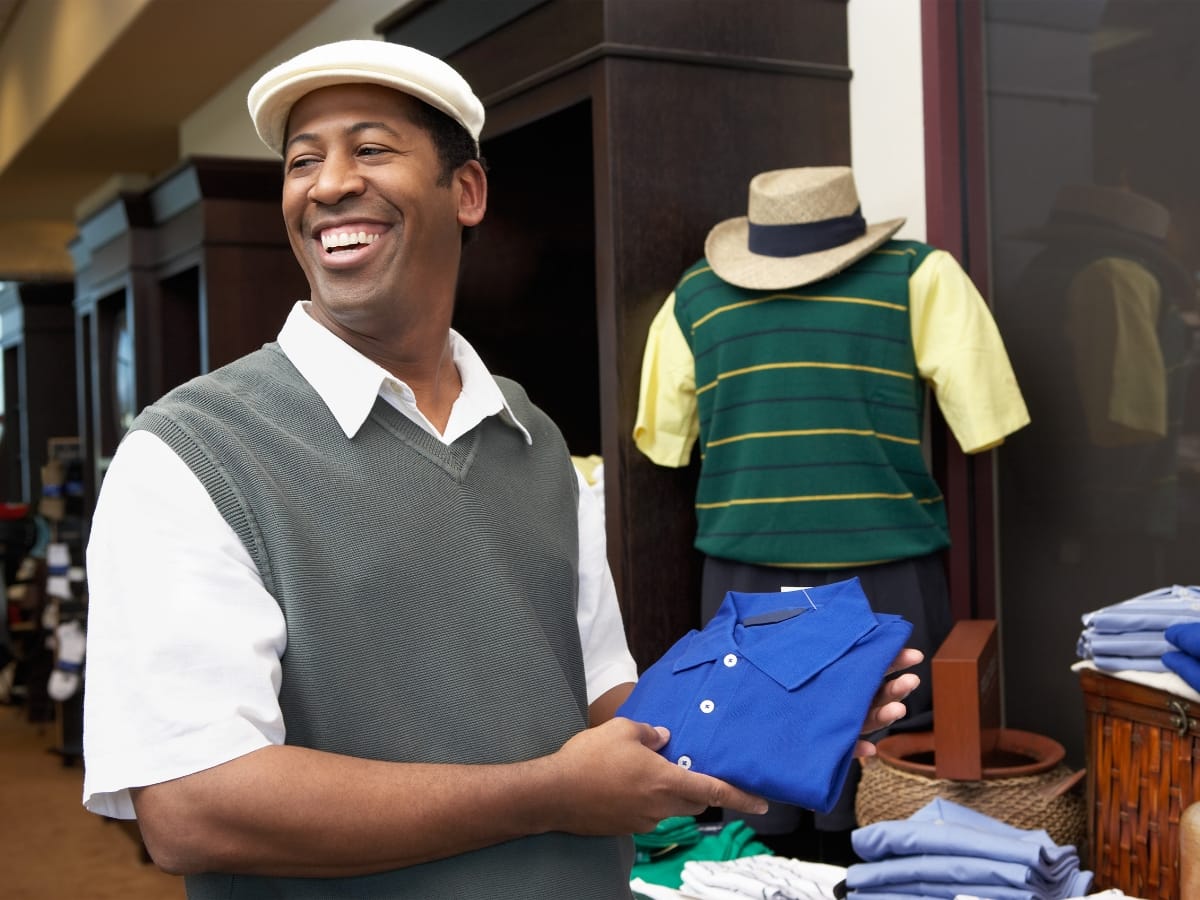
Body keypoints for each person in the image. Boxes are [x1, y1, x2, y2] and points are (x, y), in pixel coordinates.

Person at [80, 40, 922, 898]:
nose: (328, 184)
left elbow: (608, 705)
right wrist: (546, 794)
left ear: (467, 192)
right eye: (303, 161)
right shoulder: (189, 454)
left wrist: (782, 715)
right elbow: (193, 808)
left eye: (369, 148)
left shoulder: (534, 439)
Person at [633, 166, 1029, 858]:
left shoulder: (697, 299)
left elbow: (664, 442)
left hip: (841, 570)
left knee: (885, 770)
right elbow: (986, 414)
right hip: (803, 573)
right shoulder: (918, 278)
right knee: (765, 768)